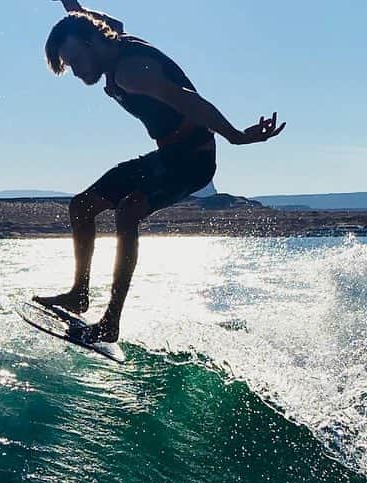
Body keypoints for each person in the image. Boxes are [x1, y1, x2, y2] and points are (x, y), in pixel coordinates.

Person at [34, 0, 286, 343]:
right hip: (166, 156)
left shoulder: (130, 71)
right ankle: (79, 294)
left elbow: (188, 101)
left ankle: (111, 321)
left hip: (193, 160)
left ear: (93, 44)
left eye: (76, 61)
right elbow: (85, 19)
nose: (76, 72)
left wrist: (237, 137)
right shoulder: (111, 39)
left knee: (129, 211)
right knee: (81, 206)